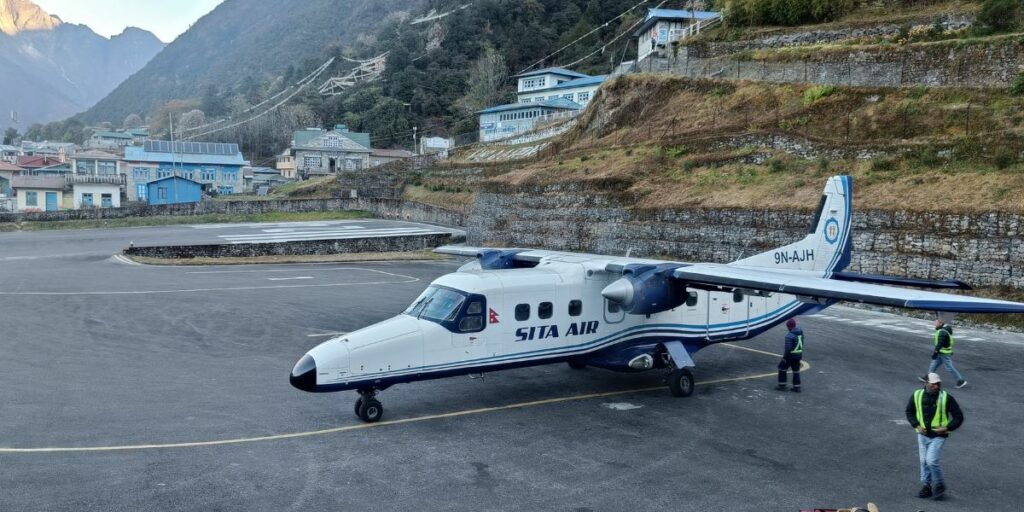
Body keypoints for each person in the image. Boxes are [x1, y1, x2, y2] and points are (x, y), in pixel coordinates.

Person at [906, 373, 964, 500]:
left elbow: (959, 417)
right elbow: (909, 411)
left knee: (931, 461)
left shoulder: (946, 398)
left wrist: (947, 428)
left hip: (939, 436)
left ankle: (939, 484)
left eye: (938, 383)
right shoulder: (917, 395)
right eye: (933, 384)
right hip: (922, 435)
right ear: (926, 383)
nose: (936, 386)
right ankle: (926, 486)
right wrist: (916, 425)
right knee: (923, 462)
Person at [920, 319, 966, 389]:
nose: (934, 323)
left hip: (944, 353)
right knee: (934, 364)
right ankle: (928, 377)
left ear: (940, 323)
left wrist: (935, 352)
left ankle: (960, 381)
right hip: (942, 352)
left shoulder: (942, 332)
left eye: (936, 322)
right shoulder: (943, 330)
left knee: (949, 367)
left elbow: (940, 344)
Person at [776, 318, 803, 392]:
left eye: (787, 326)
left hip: (791, 356)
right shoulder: (801, 333)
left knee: (782, 368)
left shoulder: (789, 336)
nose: (787, 328)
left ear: (789, 326)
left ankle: (782, 385)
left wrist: (784, 357)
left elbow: (788, 349)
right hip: (798, 355)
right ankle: (797, 387)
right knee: (796, 370)